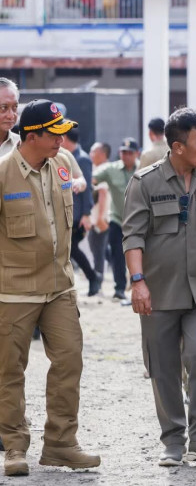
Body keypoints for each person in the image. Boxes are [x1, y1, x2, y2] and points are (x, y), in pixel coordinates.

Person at [122, 107, 196, 466]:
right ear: (178, 147)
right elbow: (132, 236)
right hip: (158, 293)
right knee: (164, 366)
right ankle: (172, 439)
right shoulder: (145, 182)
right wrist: (138, 282)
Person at [0, 99, 101, 477]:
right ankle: (13, 446)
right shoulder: (3, 173)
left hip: (60, 287)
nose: (63, 139)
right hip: (14, 291)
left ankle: (60, 443)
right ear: (32, 135)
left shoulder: (62, 166)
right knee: (10, 370)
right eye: (54, 134)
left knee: (69, 360)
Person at [93, 138, 140, 303]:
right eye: (123, 152)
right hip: (117, 219)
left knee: (141, 254)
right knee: (117, 255)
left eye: (129, 153)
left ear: (137, 154)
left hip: (139, 221)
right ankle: (119, 288)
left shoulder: (144, 169)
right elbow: (92, 179)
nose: (126, 156)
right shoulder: (110, 169)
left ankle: (138, 285)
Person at [62, 127, 102, 296]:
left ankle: (93, 277)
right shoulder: (65, 157)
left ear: (65, 137)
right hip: (68, 212)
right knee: (69, 249)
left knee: (70, 248)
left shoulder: (82, 159)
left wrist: (86, 214)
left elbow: (86, 189)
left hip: (78, 214)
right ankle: (93, 277)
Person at [88, 142, 111, 282]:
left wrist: (100, 218)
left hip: (100, 218)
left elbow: (102, 194)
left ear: (102, 154)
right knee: (102, 250)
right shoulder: (101, 168)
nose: (91, 154)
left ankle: (97, 281)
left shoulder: (103, 170)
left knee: (98, 250)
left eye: (93, 151)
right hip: (99, 217)